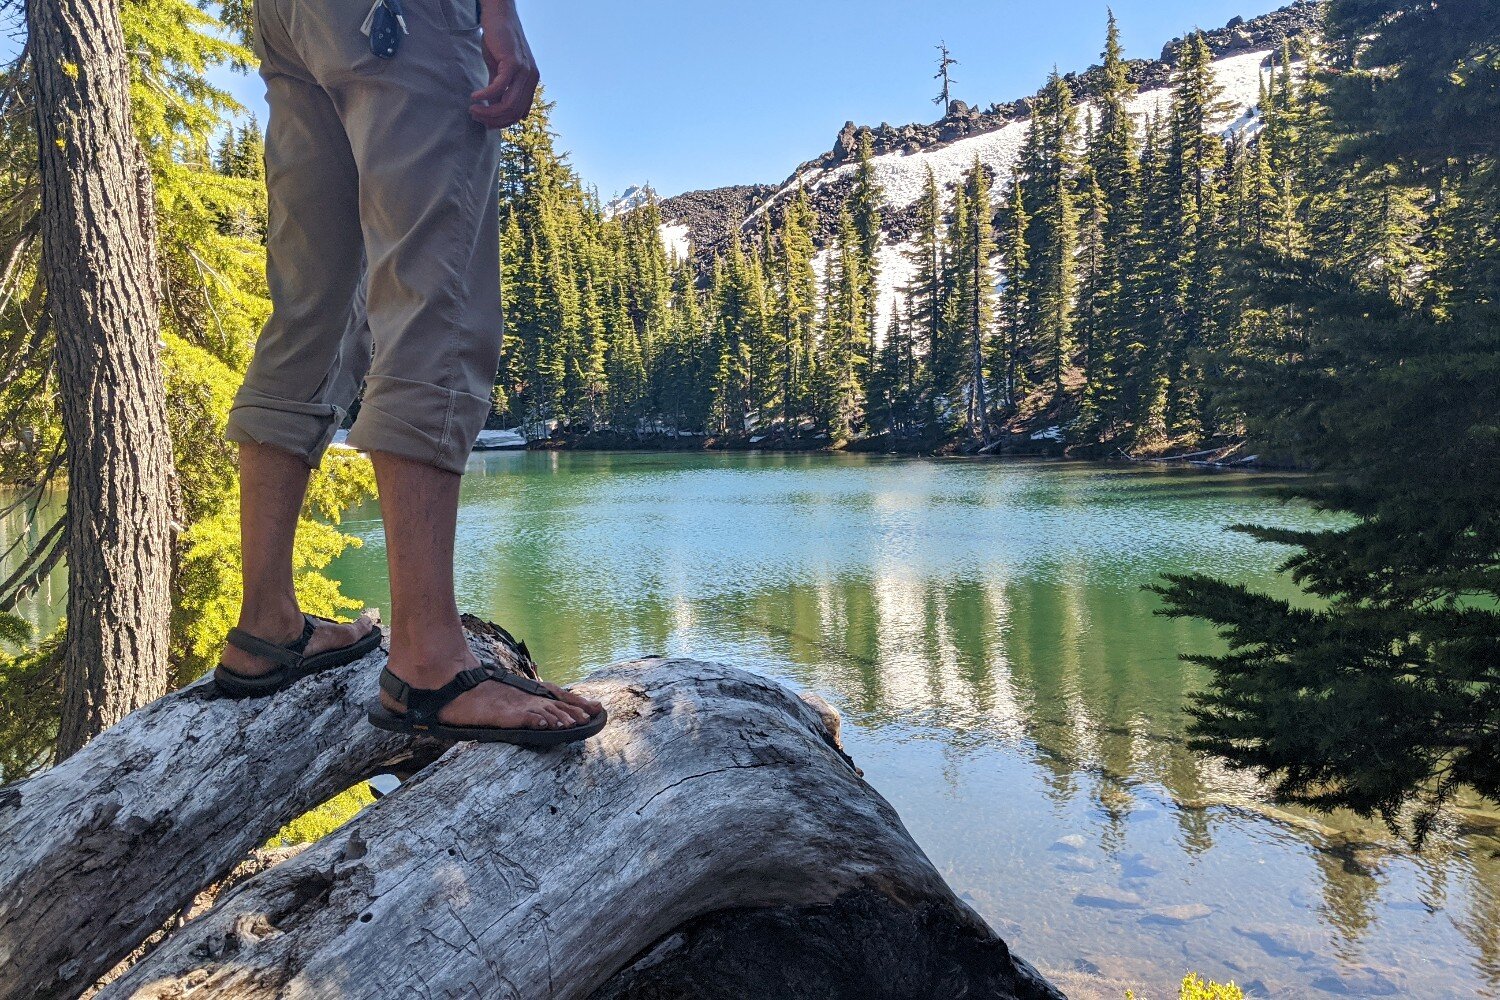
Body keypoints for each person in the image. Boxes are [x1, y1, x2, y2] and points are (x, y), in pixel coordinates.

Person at [213, 0, 605, 746]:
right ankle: (428, 658)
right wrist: (497, 12)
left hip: (290, 19)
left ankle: (266, 627)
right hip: (397, 14)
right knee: (434, 300)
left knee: (311, 307)